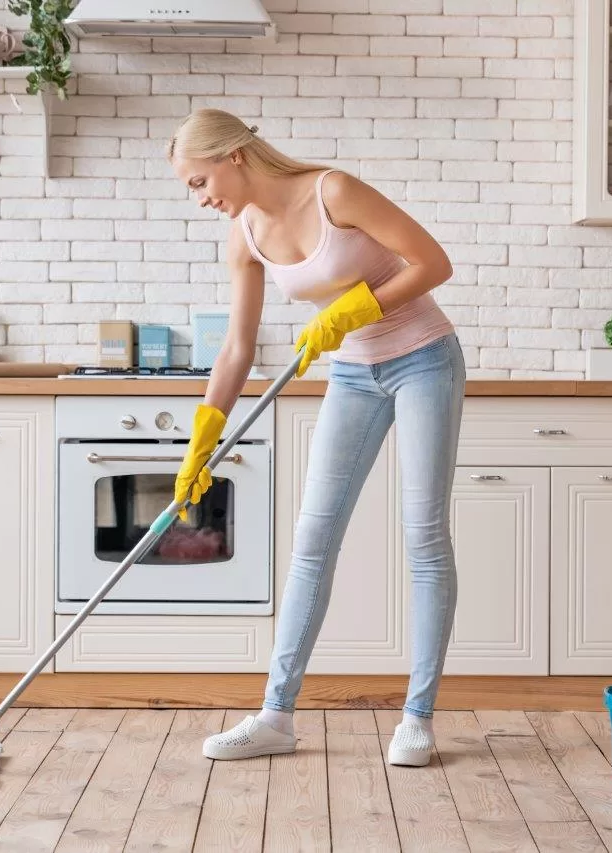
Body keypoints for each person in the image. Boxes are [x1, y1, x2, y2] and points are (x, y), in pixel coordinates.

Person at [168, 109, 466, 768]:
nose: (200, 197)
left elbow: (432, 262)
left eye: (199, 180)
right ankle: (276, 715)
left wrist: (352, 309)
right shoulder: (243, 234)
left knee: (422, 533)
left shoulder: (333, 192)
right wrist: (202, 440)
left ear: (233, 156)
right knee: (313, 538)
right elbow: (238, 348)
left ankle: (417, 717)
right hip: (353, 375)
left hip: (423, 357)